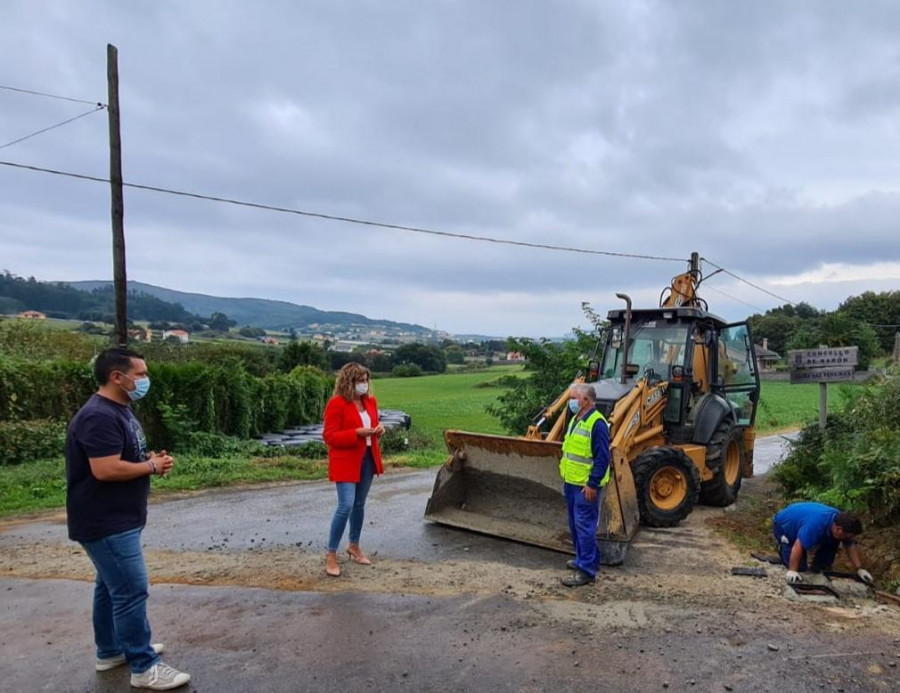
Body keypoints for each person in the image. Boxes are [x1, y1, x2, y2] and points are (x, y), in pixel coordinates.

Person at [66, 347, 190, 690]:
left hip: (118, 518)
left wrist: (147, 459)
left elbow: (122, 456)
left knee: (109, 587)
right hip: (106, 521)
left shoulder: (120, 410)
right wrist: (150, 466)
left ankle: (111, 651)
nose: (145, 380)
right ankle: (143, 665)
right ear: (116, 377)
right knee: (131, 590)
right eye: (141, 374)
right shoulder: (99, 416)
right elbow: (104, 469)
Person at [322, 362, 385, 577]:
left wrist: (378, 429)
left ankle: (354, 546)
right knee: (345, 505)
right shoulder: (337, 404)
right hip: (345, 460)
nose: (364, 384)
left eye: (366, 380)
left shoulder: (370, 402)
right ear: (349, 381)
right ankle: (331, 554)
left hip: (367, 458)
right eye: (360, 381)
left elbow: (373, 424)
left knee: (359, 504)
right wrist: (356, 433)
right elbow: (329, 436)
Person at [559, 383, 611, 587]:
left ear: (586, 401)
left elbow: (602, 458)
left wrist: (592, 484)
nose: (571, 402)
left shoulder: (597, 424)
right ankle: (585, 559)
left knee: (585, 526)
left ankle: (586, 571)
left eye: (574, 398)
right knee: (575, 525)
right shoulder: (576, 419)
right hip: (572, 483)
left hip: (585, 487)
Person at [772, 501, 873, 585]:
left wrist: (859, 569)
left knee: (834, 541)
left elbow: (850, 544)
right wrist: (793, 570)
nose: (849, 538)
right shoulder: (816, 525)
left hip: (805, 523)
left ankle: (820, 566)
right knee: (800, 569)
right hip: (784, 527)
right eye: (848, 535)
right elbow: (799, 544)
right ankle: (782, 548)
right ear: (839, 529)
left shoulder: (840, 522)